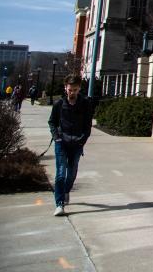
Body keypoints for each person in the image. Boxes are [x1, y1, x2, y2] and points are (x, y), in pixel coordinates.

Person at [48, 75, 93, 217]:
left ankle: (67, 190)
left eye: (75, 89)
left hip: (77, 143)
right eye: (70, 89)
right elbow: (52, 122)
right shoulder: (59, 104)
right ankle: (59, 204)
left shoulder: (85, 104)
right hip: (62, 142)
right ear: (65, 88)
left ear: (79, 88)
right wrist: (56, 137)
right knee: (60, 173)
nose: (72, 92)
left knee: (72, 172)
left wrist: (82, 140)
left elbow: (88, 125)